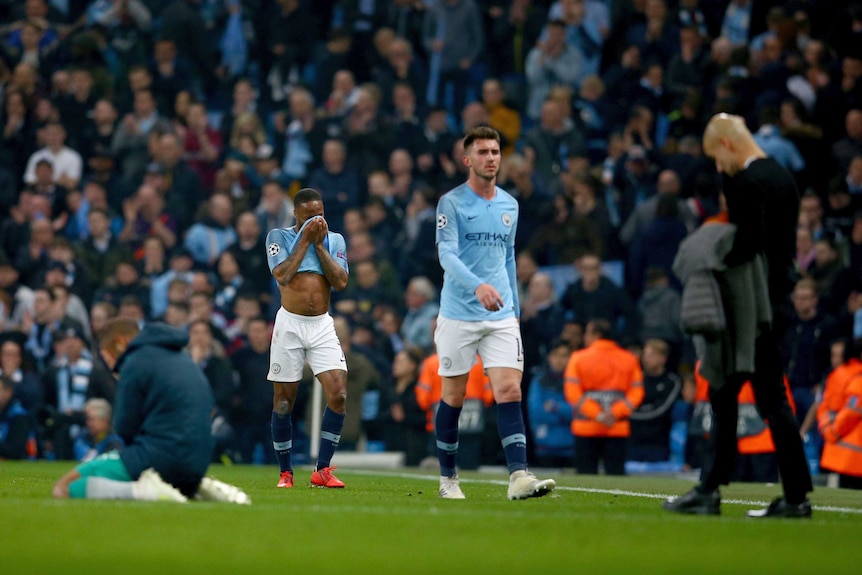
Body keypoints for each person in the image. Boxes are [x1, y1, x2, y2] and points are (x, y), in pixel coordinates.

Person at [663, 113, 813, 518]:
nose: (717, 166)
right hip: (779, 302)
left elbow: (746, 244)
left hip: (748, 305)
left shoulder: (745, 182)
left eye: (716, 156)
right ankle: (796, 497)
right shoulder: (784, 178)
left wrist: (708, 258)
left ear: (727, 145)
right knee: (772, 400)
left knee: (722, 389)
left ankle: (710, 490)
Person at [433, 126, 555, 500]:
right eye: (483, 152)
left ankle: (518, 477)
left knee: (508, 389)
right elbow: (446, 254)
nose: (491, 157)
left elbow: (508, 258)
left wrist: (514, 307)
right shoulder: (450, 203)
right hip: (458, 313)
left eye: (496, 151)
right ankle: (448, 479)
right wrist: (477, 286)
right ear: (468, 160)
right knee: (455, 396)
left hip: (501, 314)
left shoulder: (509, 205)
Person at [51, 318, 250, 504]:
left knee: (64, 487)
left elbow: (124, 427)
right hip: (200, 460)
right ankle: (194, 487)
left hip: (160, 455)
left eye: (106, 357)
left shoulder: (135, 361)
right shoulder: (181, 356)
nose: (110, 366)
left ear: (120, 343)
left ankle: (145, 491)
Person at [264, 187, 349, 489]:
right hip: (290, 323)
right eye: (310, 215)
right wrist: (305, 240)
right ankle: (285, 472)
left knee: (338, 393)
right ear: (296, 215)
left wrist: (321, 247)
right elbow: (283, 275)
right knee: (284, 401)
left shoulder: (335, 240)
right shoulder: (278, 237)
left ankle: (322, 470)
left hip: (321, 324)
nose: (317, 220)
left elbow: (340, 281)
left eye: (320, 214)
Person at [564, 319, 644, 475]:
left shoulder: (578, 358)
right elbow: (637, 393)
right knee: (616, 480)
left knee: (585, 482)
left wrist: (598, 414)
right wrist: (614, 413)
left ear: (596, 334)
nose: (585, 337)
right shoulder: (629, 359)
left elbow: (572, 392)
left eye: (587, 333)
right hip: (617, 427)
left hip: (586, 427)